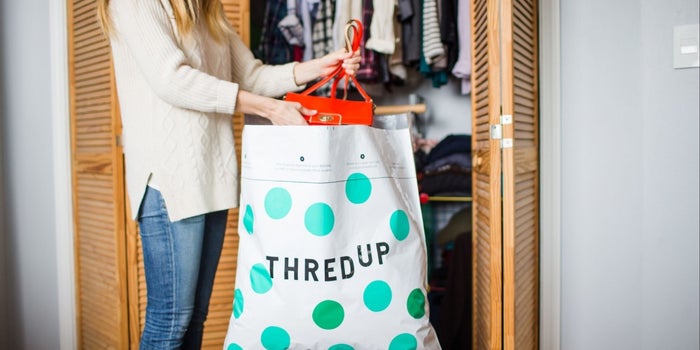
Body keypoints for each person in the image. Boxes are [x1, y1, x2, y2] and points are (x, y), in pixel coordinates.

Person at [96, 0, 361, 348]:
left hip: (212, 176)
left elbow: (252, 75)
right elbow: (171, 80)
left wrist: (320, 66)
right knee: (171, 320)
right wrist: (268, 108)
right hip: (169, 182)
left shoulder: (206, 8)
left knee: (195, 317)